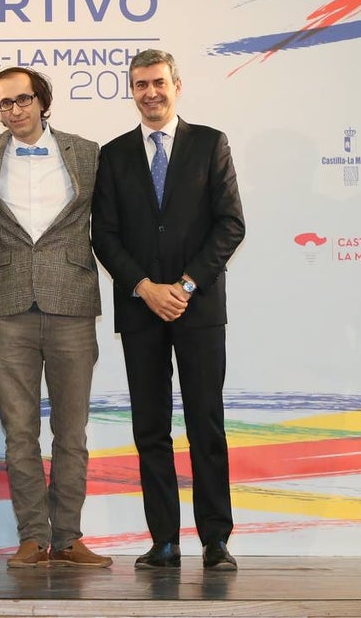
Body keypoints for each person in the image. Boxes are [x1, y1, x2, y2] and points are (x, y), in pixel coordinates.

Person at [91, 49, 245, 571]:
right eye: (140, 85)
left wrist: (181, 285)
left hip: (197, 308)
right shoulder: (112, 155)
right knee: (150, 428)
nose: (150, 93)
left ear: (177, 85)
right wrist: (143, 286)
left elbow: (230, 224)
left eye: (158, 83)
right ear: (130, 91)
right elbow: (104, 235)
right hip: (140, 312)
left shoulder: (210, 143)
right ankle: (164, 541)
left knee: (206, 423)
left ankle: (216, 540)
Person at [0, 67, 110, 569]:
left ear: (42, 100)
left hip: (71, 301)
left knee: (72, 431)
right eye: (3, 103)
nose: (14, 110)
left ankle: (68, 537)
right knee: (19, 431)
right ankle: (32, 536)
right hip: (9, 306)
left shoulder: (87, 152)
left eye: (22, 99)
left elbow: (110, 222)